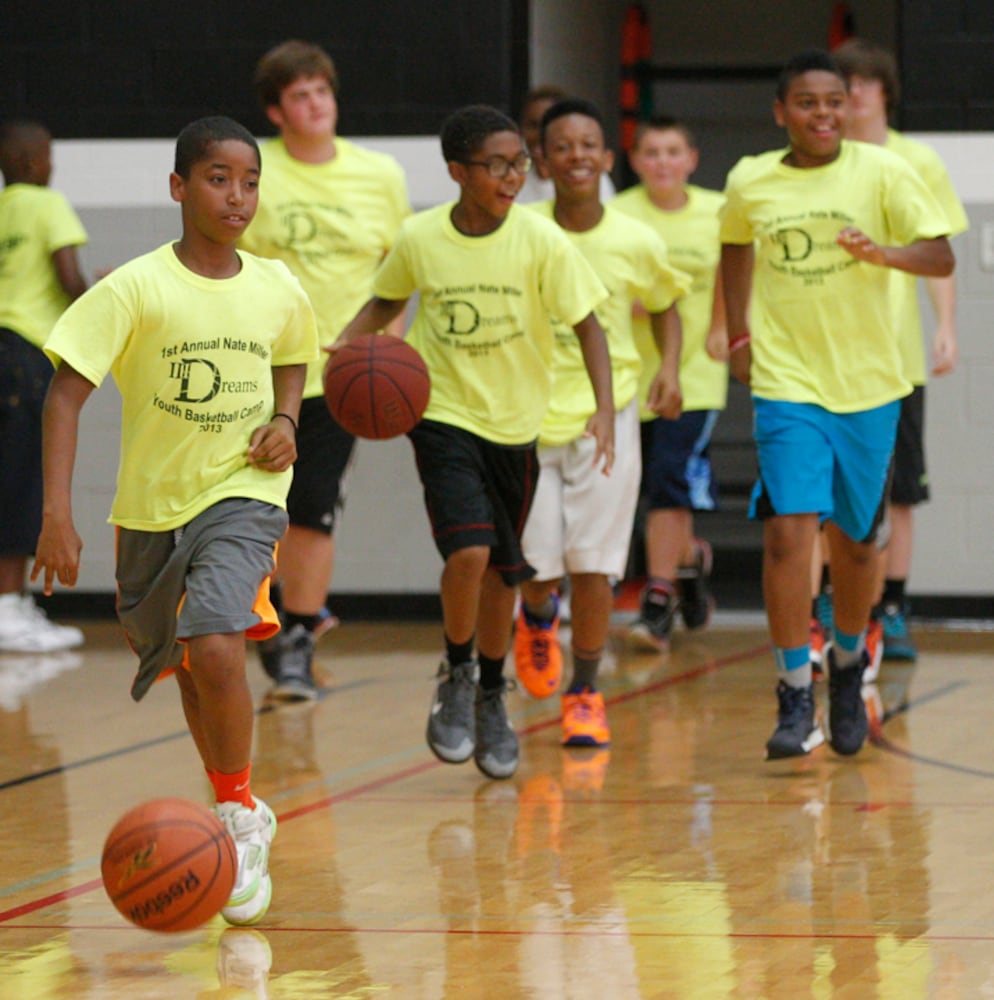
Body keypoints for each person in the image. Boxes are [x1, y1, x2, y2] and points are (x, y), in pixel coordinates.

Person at [32, 116, 319, 924]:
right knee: (191, 667)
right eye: (219, 178)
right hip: (150, 509)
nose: (238, 196)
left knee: (217, 640)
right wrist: (56, 512)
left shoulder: (276, 286)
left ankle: (236, 814)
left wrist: (289, 421)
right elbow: (65, 393)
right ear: (179, 187)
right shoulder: (132, 287)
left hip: (244, 495)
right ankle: (234, 800)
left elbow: (296, 356)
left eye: (250, 181)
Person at [335, 104, 615, 779]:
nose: (514, 175)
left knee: (501, 573)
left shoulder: (543, 242)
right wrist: (344, 352)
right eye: (498, 165)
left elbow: (589, 327)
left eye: (521, 162)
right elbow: (384, 301)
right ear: (458, 171)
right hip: (443, 414)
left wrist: (605, 409)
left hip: (517, 424)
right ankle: (458, 674)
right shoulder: (421, 237)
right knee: (470, 550)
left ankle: (493, 692)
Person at [719, 50, 954, 760]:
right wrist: (737, 333)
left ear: (850, 108)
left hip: (871, 383)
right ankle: (795, 691)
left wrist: (885, 256)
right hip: (788, 381)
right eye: (807, 102)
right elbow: (733, 248)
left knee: (855, 544)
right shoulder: (750, 179)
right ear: (780, 111)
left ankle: (848, 664)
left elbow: (939, 255)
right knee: (790, 533)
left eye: (834, 102)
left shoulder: (885, 171)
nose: (823, 113)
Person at [513, 98, 688, 748]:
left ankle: (585, 691)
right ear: (543, 160)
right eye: (564, 145)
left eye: (590, 144)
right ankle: (535, 615)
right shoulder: (520, 228)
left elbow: (667, 304)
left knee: (593, 564)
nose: (578, 155)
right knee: (537, 563)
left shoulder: (635, 238)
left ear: (607, 159)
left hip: (604, 416)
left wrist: (668, 366)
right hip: (525, 414)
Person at [240, 40, 411, 700]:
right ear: (277, 111)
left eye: (323, 92)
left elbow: (397, 272)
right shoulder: (256, 170)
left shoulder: (380, 174)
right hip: (260, 367)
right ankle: (260, 617)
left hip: (343, 371)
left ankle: (297, 640)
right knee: (257, 509)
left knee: (313, 508)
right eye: (300, 96)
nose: (316, 104)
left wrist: (385, 349)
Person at [831, 38, 969, 666]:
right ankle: (836, 606)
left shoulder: (916, 161)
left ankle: (893, 605)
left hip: (895, 358)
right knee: (834, 494)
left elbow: (938, 253)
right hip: (830, 358)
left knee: (901, 492)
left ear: (884, 90)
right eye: (843, 83)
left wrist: (946, 324)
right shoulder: (821, 161)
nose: (853, 94)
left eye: (863, 82)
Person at [612, 116, 729, 649]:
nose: (662, 161)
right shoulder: (618, 214)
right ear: (635, 161)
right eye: (652, 152)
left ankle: (656, 598)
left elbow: (733, 269)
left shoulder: (716, 210)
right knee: (641, 486)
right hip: (627, 372)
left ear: (691, 159)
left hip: (695, 375)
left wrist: (725, 327)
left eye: (672, 151)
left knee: (668, 478)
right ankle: (689, 561)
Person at [0, 120, 88, 653]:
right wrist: (102, 301)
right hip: (24, 354)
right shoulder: (45, 203)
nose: (52, 165)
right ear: (33, 163)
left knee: (5, 476)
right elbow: (68, 278)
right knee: (23, 480)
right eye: (50, 156)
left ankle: (13, 605)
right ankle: (9, 607)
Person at [517, 86, 616, 205]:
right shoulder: (514, 175)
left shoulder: (589, 176)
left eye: (588, 144)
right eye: (533, 125)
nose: (541, 134)